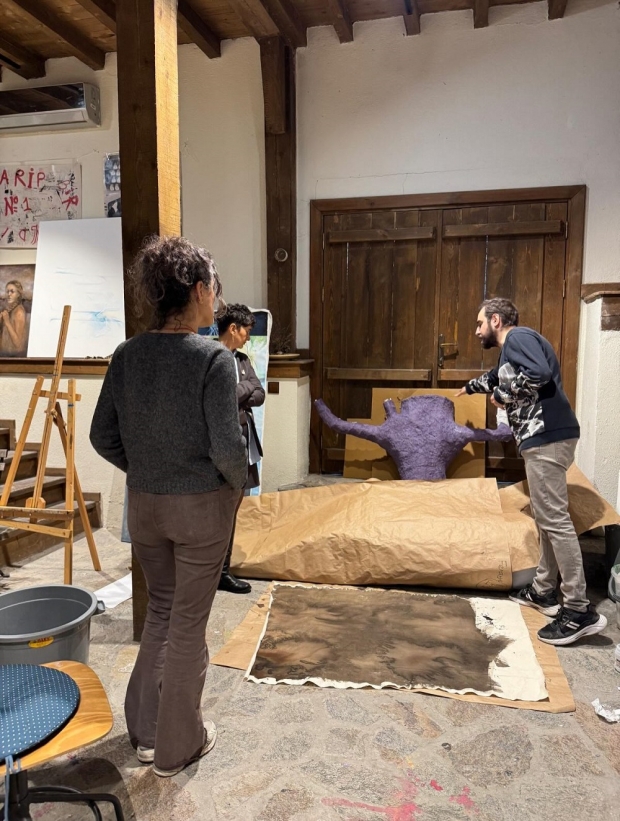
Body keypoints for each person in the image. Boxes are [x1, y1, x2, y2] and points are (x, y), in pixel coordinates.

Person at [90, 236, 247, 777]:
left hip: (146, 506)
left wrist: (143, 468)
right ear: (199, 290)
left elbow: (101, 435)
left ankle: (146, 734)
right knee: (187, 624)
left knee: (161, 611)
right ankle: (179, 746)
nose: (215, 301)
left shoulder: (127, 355)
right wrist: (234, 487)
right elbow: (228, 448)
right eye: (213, 290)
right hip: (200, 508)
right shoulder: (213, 359)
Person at [455, 297, 607, 646]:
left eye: (479, 323)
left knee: (554, 519)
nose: (477, 331)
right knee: (545, 517)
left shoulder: (518, 337)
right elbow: (496, 377)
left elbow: (537, 374)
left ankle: (579, 610)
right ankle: (543, 590)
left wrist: (503, 395)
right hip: (544, 438)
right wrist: (472, 387)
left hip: (546, 437)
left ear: (496, 320)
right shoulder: (511, 351)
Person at [216, 304, 265, 593]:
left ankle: (223, 571)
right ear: (233, 328)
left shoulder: (243, 360)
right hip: (219, 442)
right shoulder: (211, 357)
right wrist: (243, 390)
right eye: (246, 331)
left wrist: (240, 391)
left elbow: (259, 393)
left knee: (234, 504)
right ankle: (211, 571)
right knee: (215, 508)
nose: (247, 337)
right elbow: (222, 397)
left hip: (244, 438)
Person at [0, 280, 28, 356]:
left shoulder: (19, 312)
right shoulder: (9, 310)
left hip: (13, 356)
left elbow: (18, 344)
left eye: (12, 291)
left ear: (18, 294)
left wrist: (7, 322)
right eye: (7, 291)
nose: (9, 294)